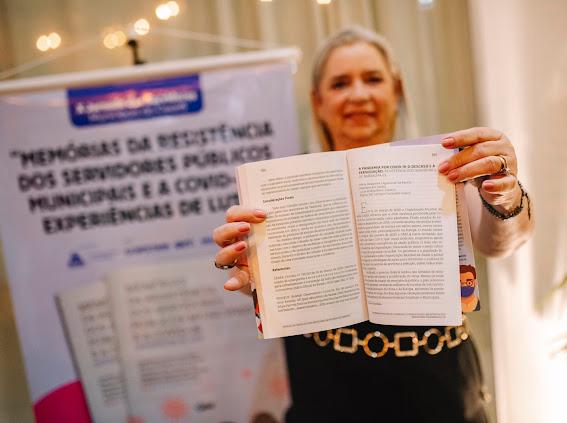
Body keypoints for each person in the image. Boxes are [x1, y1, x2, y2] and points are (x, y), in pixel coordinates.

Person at [212, 26, 534, 422]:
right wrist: (256, 276)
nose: (359, 94)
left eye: (373, 79)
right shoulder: (280, 191)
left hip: (439, 386)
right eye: (340, 83)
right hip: (328, 385)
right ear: (318, 102)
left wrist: (506, 199)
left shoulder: (442, 168)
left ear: (396, 91)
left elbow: (499, 243)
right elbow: (270, 288)